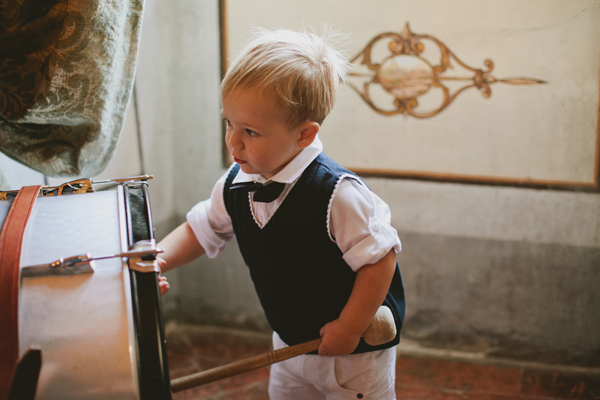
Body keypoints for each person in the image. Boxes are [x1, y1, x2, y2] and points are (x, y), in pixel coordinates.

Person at [157, 26, 406, 400]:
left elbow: (380, 260)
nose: (233, 141)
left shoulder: (339, 194)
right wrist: (156, 261)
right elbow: (202, 228)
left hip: (353, 358)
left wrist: (350, 327)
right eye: (229, 123)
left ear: (304, 135)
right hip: (289, 344)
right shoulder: (235, 182)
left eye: (251, 132)